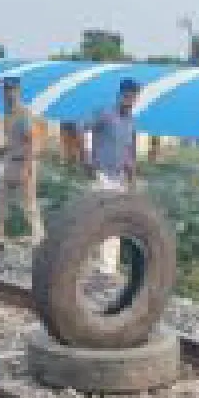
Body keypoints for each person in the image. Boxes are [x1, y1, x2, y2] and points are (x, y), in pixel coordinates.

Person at [88, 77, 141, 275]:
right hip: (102, 174)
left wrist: (132, 182)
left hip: (119, 178)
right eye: (126, 96)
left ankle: (107, 268)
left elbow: (131, 153)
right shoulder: (105, 114)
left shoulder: (131, 122)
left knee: (114, 221)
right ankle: (92, 260)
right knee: (96, 219)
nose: (129, 100)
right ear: (119, 95)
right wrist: (88, 158)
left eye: (133, 97)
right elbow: (83, 129)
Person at [0, 76, 43, 252]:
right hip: (11, 161)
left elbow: (30, 142)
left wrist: (27, 169)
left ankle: (39, 238)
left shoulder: (23, 114)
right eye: (6, 90)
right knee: (0, 200)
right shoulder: (7, 115)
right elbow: (13, 142)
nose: (8, 93)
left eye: (11, 89)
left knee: (29, 203)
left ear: (18, 91)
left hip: (24, 162)